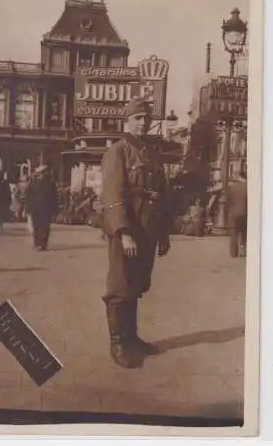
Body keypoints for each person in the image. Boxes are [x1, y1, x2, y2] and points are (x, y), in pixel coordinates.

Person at [100, 97, 172, 369]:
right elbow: (113, 194)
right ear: (126, 120)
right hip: (128, 230)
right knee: (120, 285)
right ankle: (118, 343)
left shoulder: (151, 154)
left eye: (146, 118)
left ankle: (131, 338)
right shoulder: (118, 151)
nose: (143, 122)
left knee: (137, 284)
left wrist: (163, 234)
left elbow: (161, 196)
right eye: (137, 118)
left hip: (148, 230)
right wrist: (123, 232)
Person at [25, 165, 58, 251]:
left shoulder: (50, 183)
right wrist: (28, 208)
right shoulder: (33, 183)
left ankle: (42, 245)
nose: (43, 174)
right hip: (36, 209)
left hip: (45, 209)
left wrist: (55, 210)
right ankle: (37, 244)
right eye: (42, 173)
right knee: (37, 227)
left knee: (44, 228)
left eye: (45, 172)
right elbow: (28, 196)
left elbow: (54, 197)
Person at [226, 160, 247, 258]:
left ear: (237, 175)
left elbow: (228, 202)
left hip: (233, 213)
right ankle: (243, 250)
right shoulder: (248, 187)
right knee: (244, 231)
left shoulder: (232, 187)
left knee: (233, 233)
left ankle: (234, 252)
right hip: (245, 212)